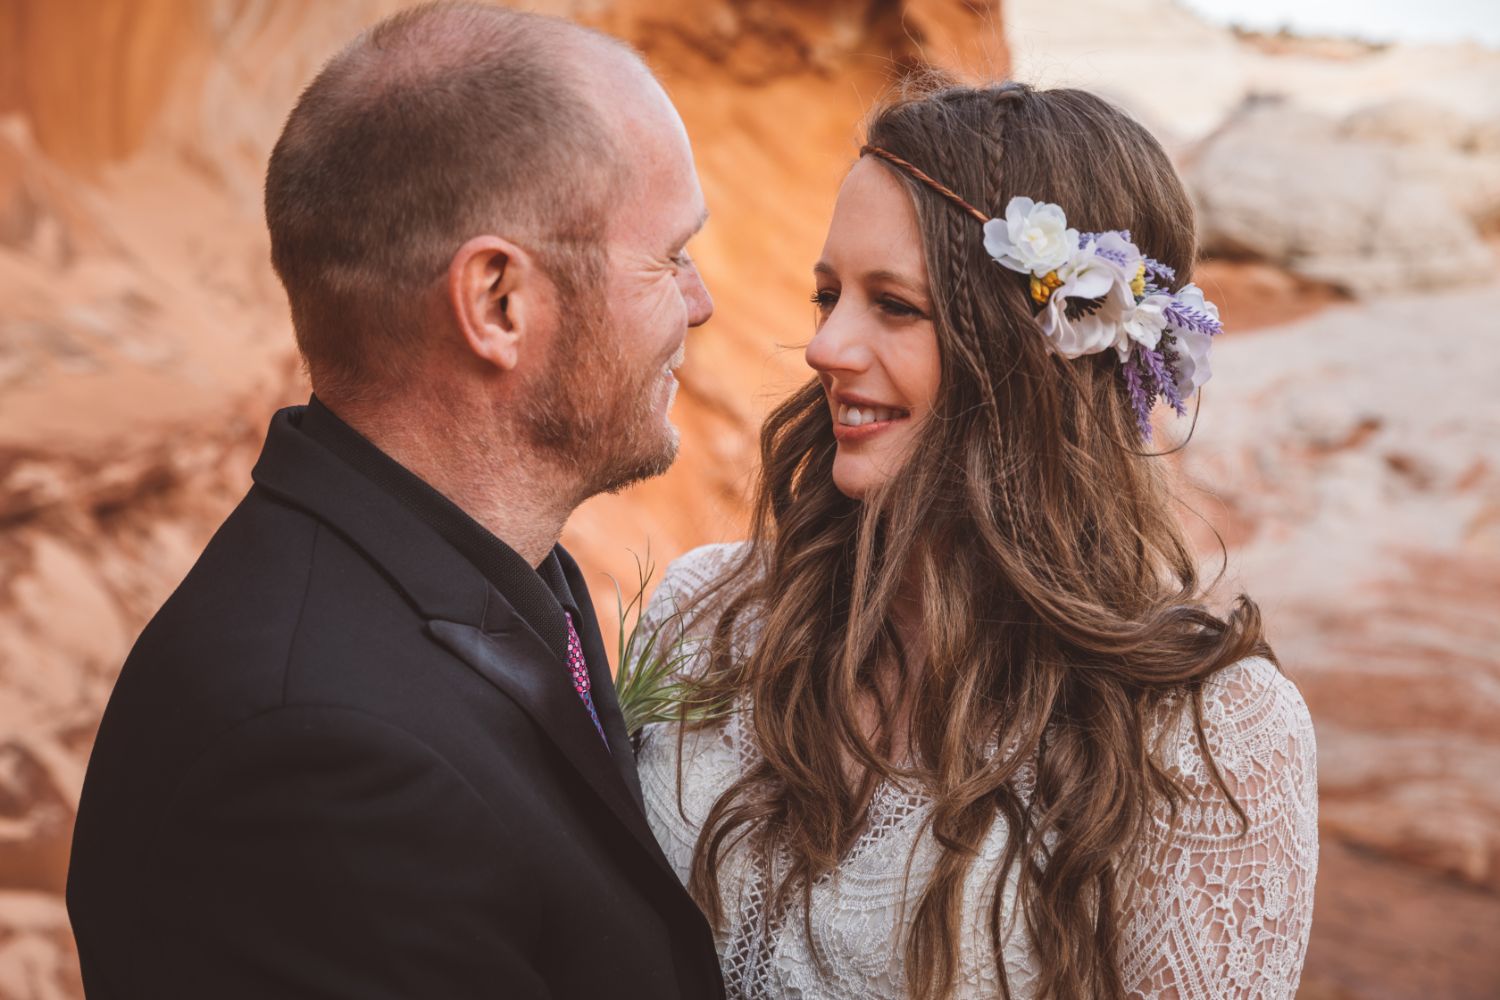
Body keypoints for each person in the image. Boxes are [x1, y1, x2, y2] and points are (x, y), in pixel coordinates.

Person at [65, 4, 722, 998]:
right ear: (499, 302)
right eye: (669, 257)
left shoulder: (490, 563)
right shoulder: (315, 761)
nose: (701, 299)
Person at [635, 80, 1318, 999]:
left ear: (1038, 353)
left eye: (896, 306)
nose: (826, 347)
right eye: (827, 295)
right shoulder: (699, 620)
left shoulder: (1210, 742)